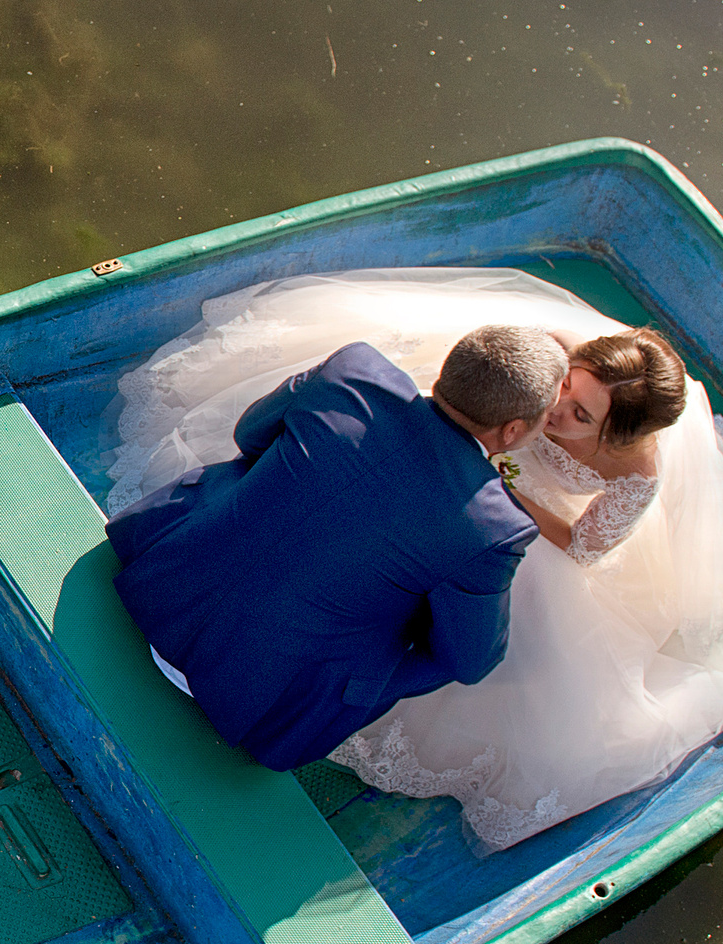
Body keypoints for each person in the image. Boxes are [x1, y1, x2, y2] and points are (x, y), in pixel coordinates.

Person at [104, 268, 723, 852]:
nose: (558, 413)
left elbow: (584, 543)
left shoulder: (360, 376)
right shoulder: (505, 475)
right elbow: (467, 661)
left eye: (579, 417)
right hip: (459, 485)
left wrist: (505, 491)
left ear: (613, 435)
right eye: (564, 394)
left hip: (171, 572)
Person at [103, 315, 566, 771]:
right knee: (458, 638)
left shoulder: (352, 372)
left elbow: (249, 436)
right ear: (512, 430)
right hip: (249, 695)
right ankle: (311, 707)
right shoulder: (495, 527)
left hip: (156, 585)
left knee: (263, 476)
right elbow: (470, 662)